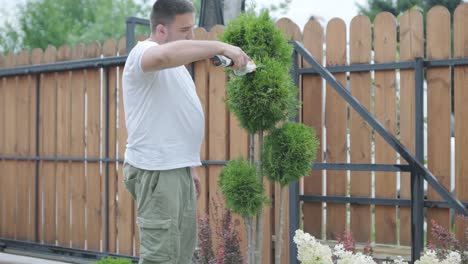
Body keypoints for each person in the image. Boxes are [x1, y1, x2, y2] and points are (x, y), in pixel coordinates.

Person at [121, 0, 250, 263]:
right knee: (161, 257)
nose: (192, 36)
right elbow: (164, 55)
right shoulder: (143, 52)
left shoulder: (175, 67)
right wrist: (220, 45)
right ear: (160, 31)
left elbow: (172, 116)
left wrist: (189, 167)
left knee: (181, 254)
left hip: (175, 169)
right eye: (185, 30)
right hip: (157, 171)